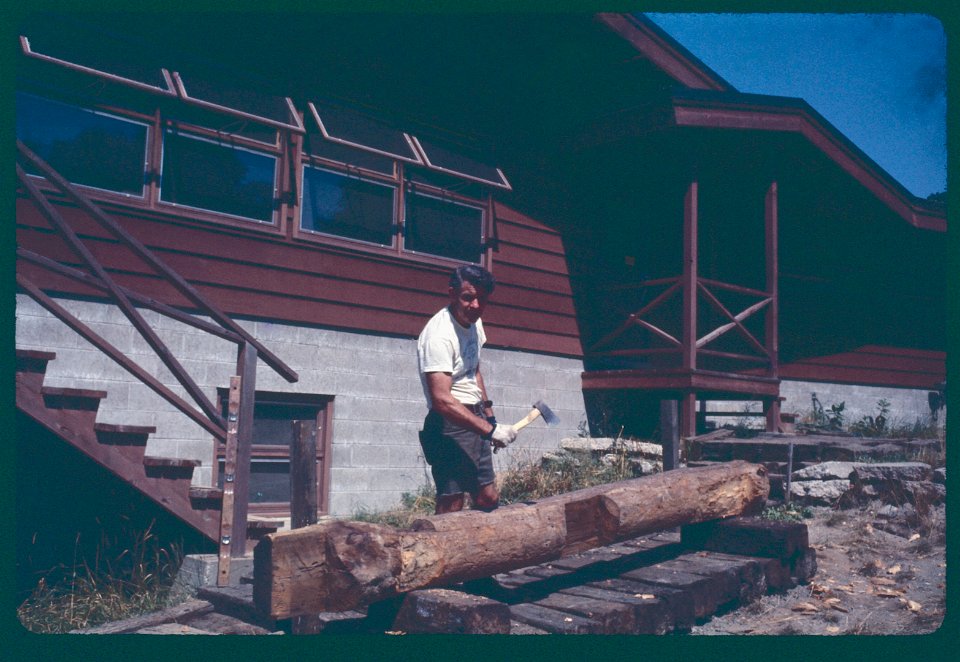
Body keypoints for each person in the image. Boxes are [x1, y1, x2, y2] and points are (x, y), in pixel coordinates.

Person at [417, 265, 517, 514]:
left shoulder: (475, 322)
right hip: (449, 425)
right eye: (468, 297)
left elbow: (473, 369)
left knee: (487, 497)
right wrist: (490, 430)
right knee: (452, 503)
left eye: (482, 299)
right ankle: (437, 549)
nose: (475, 305)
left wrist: (489, 416)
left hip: (476, 417)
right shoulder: (439, 335)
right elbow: (441, 399)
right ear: (452, 293)